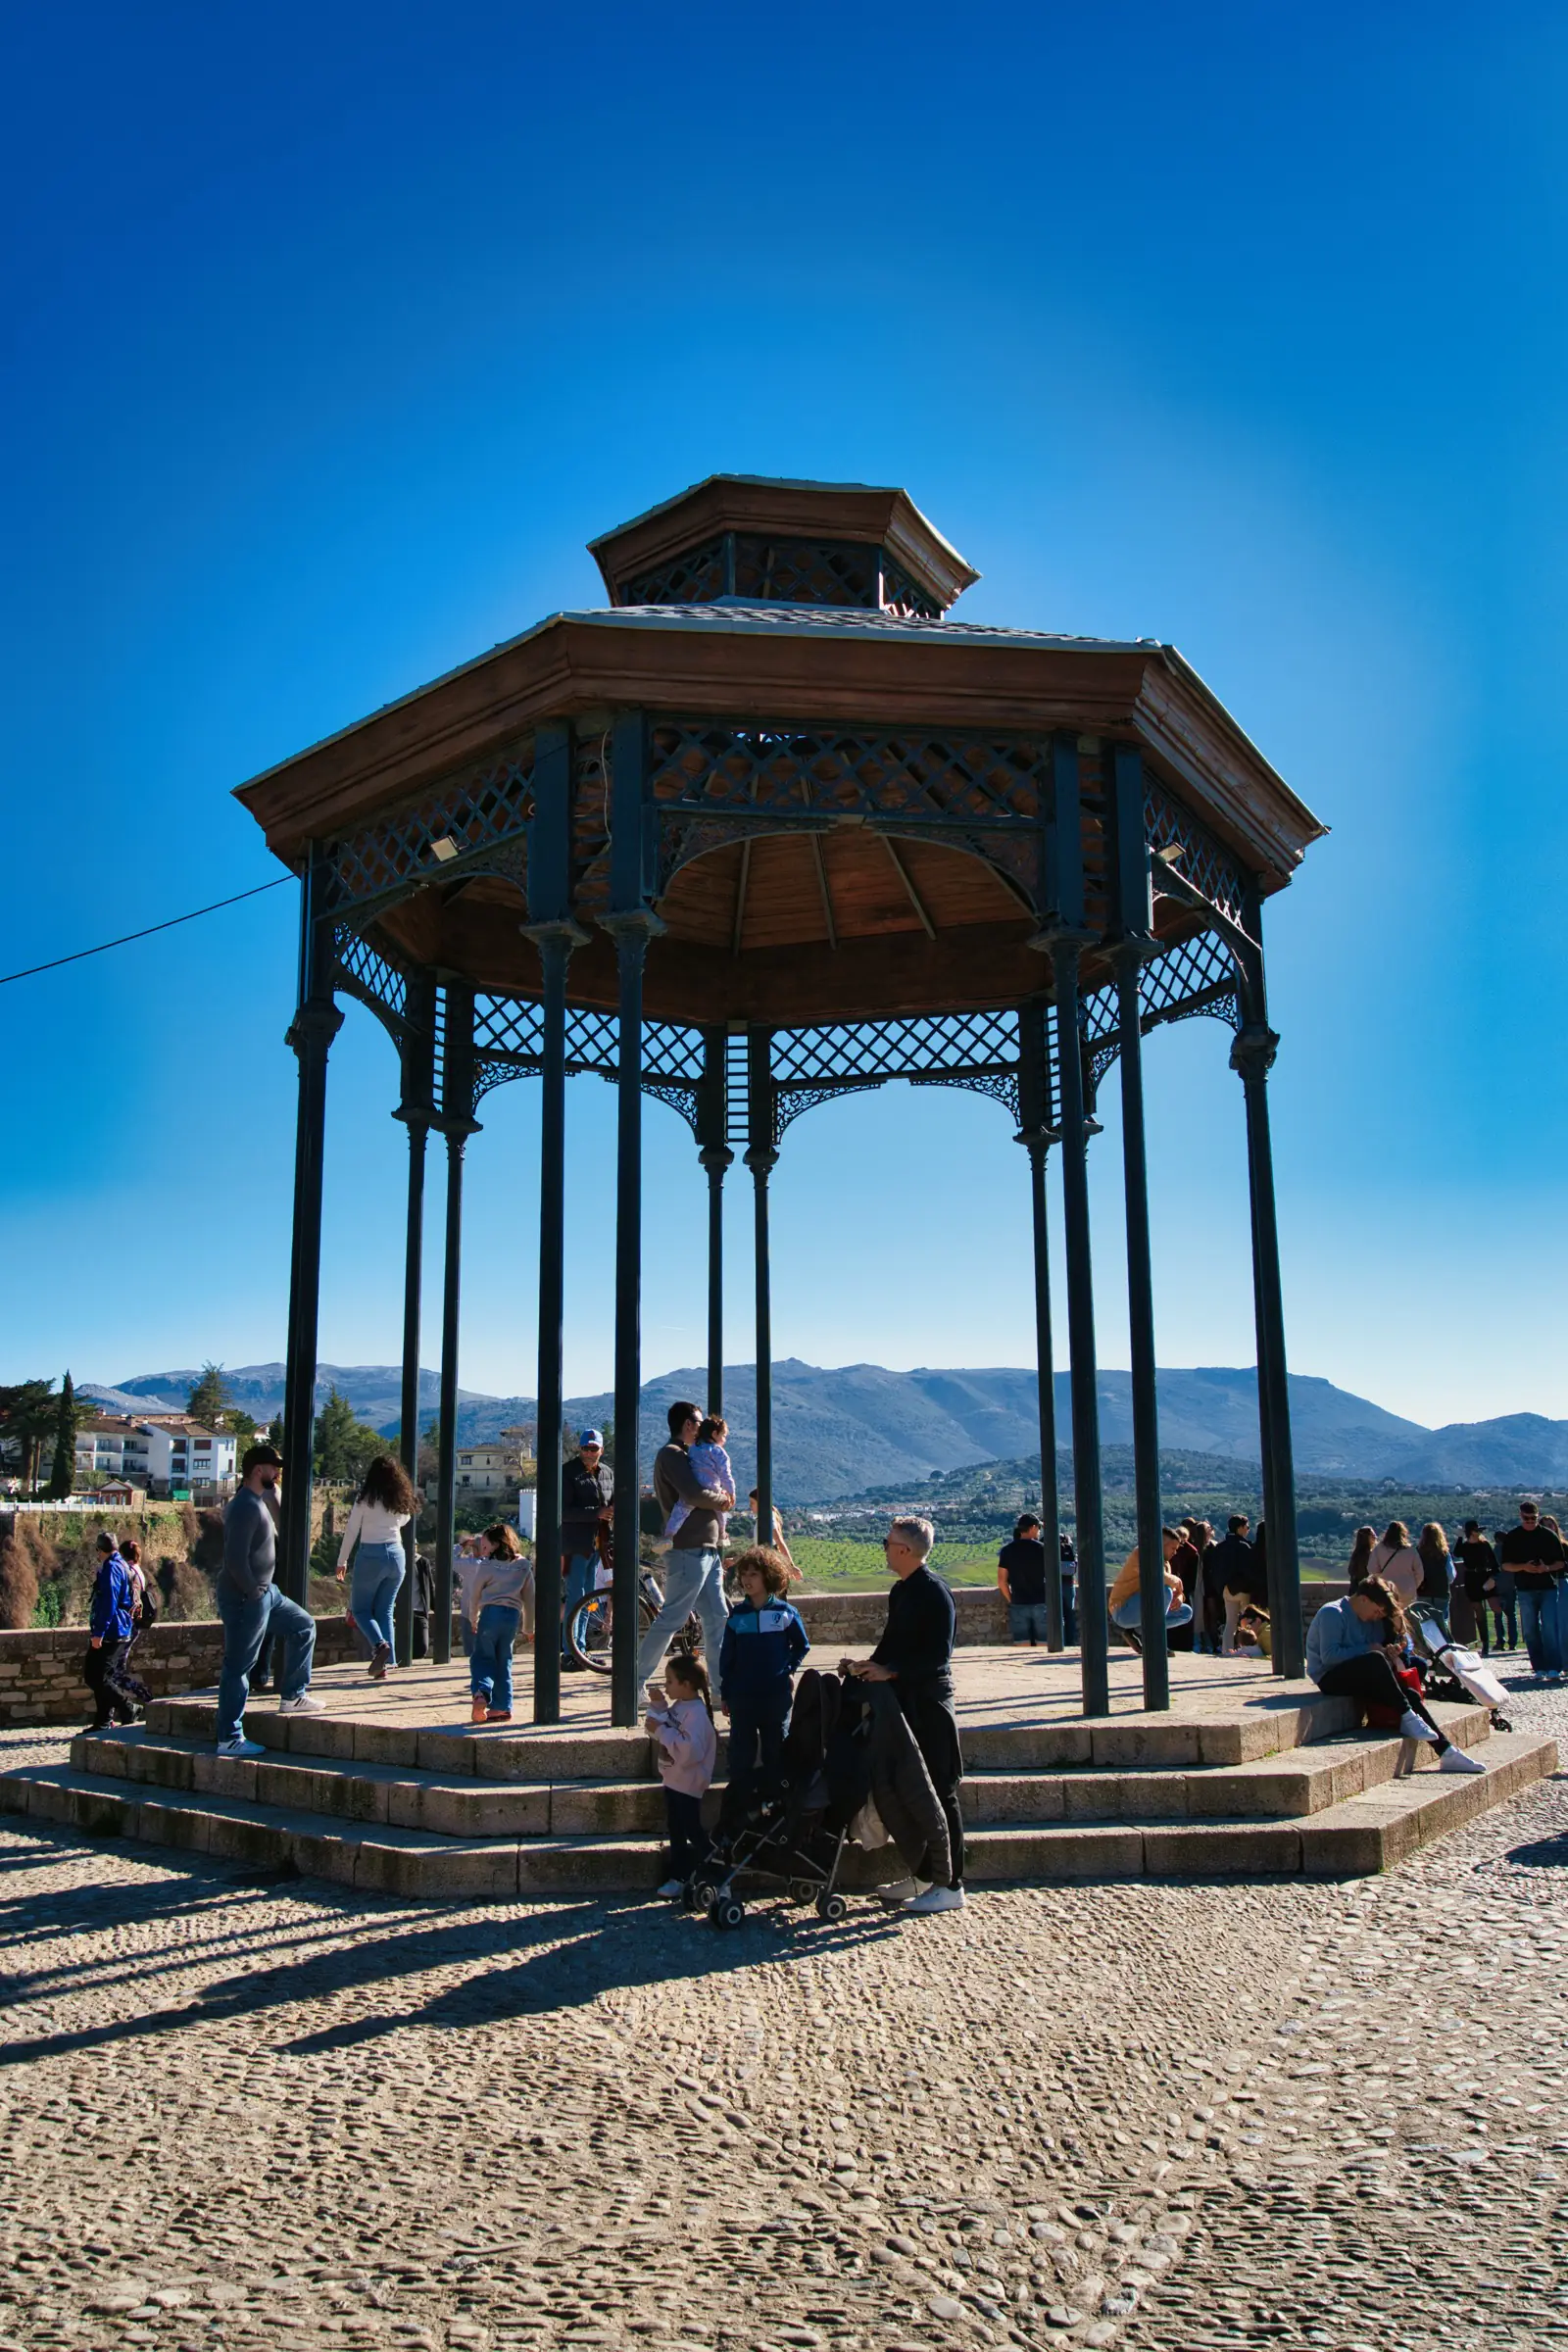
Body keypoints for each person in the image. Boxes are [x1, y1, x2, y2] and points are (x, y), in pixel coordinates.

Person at [848, 1516, 964, 1915]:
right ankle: (925, 1874)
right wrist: (868, 1666)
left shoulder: (935, 1593)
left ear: (904, 1550)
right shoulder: (901, 1592)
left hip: (930, 1705)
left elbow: (937, 1657)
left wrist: (891, 1671)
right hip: (903, 1704)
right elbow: (892, 1646)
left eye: (887, 1541)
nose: (883, 1547)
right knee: (912, 1790)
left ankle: (952, 1883)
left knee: (941, 1792)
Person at [1304, 1577, 1485, 1772]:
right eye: (1376, 1611)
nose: (1377, 1616)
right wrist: (1370, 1649)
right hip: (1331, 1676)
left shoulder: (1371, 1619)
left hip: (1365, 1672)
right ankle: (1408, 1717)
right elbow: (1329, 1657)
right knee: (1374, 1659)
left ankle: (1446, 1751)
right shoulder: (1333, 1613)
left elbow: (1380, 1650)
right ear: (1363, 1599)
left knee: (1413, 1680)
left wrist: (1391, 1651)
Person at [215, 1444, 323, 1757]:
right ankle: (229, 1737)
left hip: (266, 1593)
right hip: (248, 1596)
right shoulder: (245, 1506)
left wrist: (261, 1591)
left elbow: (280, 1516)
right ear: (257, 1470)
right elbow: (234, 1558)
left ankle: (292, 1695)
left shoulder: (256, 1501)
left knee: (303, 1626)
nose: (278, 1472)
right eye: (273, 1467)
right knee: (238, 1666)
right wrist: (252, 1591)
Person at [642, 1401, 733, 1698]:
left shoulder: (687, 1454)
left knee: (717, 1617)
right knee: (672, 1618)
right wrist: (722, 1500)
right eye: (698, 1421)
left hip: (707, 1549)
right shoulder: (672, 1455)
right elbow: (693, 1494)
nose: (702, 1425)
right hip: (687, 1549)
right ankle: (634, 1681)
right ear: (688, 1424)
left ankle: (720, 1690)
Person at [716, 1546, 808, 1822]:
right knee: (740, 1756)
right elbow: (727, 1659)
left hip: (775, 1697)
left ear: (768, 1576)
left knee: (775, 1752)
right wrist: (726, 1694)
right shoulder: (737, 1616)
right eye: (743, 1574)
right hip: (743, 1698)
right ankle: (739, 1811)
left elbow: (801, 1645)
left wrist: (789, 1669)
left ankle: (776, 1809)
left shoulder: (786, 1612)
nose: (747, 1579)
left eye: (754, 1574)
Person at [334, 1454, 416, 1681]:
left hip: (371, 1554)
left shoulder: (365, 1499)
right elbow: (405, 1520)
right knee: (385, 1610)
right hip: (397, 1555)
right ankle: (387, 1663)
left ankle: (380, 1646)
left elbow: (351, 1530)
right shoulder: (399, 1498)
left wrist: (342, 1560)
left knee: (360, 1610)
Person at [646, 1651, 718, 1898]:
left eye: (669, 1681)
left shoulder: (696, 1714)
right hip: (674, 1780)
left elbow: (690, 1752)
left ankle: (718, 1870)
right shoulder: (681, 1706)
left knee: (692, 1831)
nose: (666, 1686)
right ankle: (679, 1876)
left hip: (687, 1783)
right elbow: (662, 1726)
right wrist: (657, 1706)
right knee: (677, 1831)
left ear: (686, 1685)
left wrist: (662, 1732)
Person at [561, 1430, 613, 1672]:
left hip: (598, 1543)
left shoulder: (607, 1473)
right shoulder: (568, 1472)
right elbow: (563, 1512)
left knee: (589, 1597)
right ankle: (571, 1651)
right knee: (576, 1596)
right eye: (586, 1449)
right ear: (579, 1449)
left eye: (594, 1449)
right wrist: (596, 1513)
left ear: (601, 1449)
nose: (590, 1453)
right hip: (575, 1544)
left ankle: (580, 1650)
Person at [467, 1522, 528, 1724]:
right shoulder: (523, 1565)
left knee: (483, 1658)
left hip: (489, 1614)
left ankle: (482, 1692)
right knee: (505, 1661)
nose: (483, 1551)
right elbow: (530, 1598)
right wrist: (529, 1627)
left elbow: (474, 1594)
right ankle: (501, 1708)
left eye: (485, 1547)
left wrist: (472, 1617)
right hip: (511, 1616)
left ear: (495, 1545)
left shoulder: (486, 1566)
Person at [1499, 1500, 1564, 1677]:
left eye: (1533, 1518)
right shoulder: (1513, 1537)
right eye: (1527, 1518)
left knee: (1550, 1628)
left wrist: (1547, 1568)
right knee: (1530, 1630)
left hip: (1548, 1587)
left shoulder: (1549, 1536)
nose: (1530, 1522)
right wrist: (1523, 1567)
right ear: (1520, 1516)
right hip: (1524, 1588)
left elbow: (1561, 1562)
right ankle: (1539, 1667)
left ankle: (1554, 1667)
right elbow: (1506, 1565)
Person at [84, 1532, 139, 1729]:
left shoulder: (112, 1568)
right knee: (101, 1677)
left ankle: (128, 1708)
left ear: (100, 1549)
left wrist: (99, 1633)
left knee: (94, 1676)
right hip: (120, 1628)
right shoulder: (122, 1564)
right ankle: (104, 1721)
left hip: (112, 1631)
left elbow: (108, 1602)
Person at [1106, 1530, 1195, 1649]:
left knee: (1185, 1612)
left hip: (1142, 1609)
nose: (1175, 1553)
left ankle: (1137, 1631)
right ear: (1161, 1544)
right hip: (1122, 1609)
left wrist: (1179, 1596)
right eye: (1172, 1548)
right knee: (1164, 1592)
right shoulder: (1141, 1553)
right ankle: (1154, 1639)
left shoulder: (1165, 1563)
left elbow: (1171, 1588)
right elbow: (1155, 1575)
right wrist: (1176, 1581)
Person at [668, 1416, 733, 1544]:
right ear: (714, 1434)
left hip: (695, 1485)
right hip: (712, 1487)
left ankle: (668, 1535)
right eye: (723, 1435)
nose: (724, 1440)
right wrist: (731, 1493)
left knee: (680, 1510)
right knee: (721, 1510)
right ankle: (722, 1534)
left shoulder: (693, 1448)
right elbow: (726, 1475)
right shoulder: (718, 1452)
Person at [1209, 1514, 1266, 1655]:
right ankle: (1246, 1649)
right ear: (1240, 1528)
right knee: (1246, 1621)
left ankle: (1226, 1651)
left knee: (1230, 1623)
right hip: (1242, 1590)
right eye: (1246, 1527)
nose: (1248, 1529)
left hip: (1226, 1590)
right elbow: (1250, 1570)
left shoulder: (1220, 1547)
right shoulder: (1243, 1547)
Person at [997, 1513, 1051, 1644]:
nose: (1039, 1531)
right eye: (1039, 1528)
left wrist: (1011, 1599)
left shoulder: (1007, 1551)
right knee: (1044, 1644)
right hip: (1041, 1602)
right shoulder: (1043, 1549)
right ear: (1032, 1528)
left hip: (1019, 1602)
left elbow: (1001, 1581)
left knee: (1022, 1644)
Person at [1452, 1521, 1499, 1654]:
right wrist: (1460, 1537)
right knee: (1479, 1612)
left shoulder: (1484, 1545)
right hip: (1472, 1578)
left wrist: (1493, 1578)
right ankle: (1485, 1642)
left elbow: (1494, 1563)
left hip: (1486, 1576)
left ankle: (1500, 1639)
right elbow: (1456, 1553)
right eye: (1475, 1530)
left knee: (1497, 1608)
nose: (1478, 1533)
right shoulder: (1465, 1546)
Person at [119, 1539, 156, 1702]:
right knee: (116, 1671)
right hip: (134, 1625)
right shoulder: (138, 1571)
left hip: (128, 1626)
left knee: (115, 1673)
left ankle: (144, 1697)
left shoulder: (129, 1572)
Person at [746, 1490, 802, 1582]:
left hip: (771, 1562)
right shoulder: (762, 1518)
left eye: (752, 1503)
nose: (750, 1506)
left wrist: (791, 1566)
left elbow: (779, 1540)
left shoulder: (768, 1517)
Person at [1367, 1521, 1422, 1608]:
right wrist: (1413, 1586)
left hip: (1387, 1590)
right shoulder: (1411, 1551)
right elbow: (1419, 1573)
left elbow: (1372, 1570)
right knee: (1408, 1618)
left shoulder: (1379, 1549)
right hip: (1407, 1591)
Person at [1416, 1522, 1453, 1609]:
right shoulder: (1444, 1554)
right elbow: (1451, 1576)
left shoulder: (1417, 1553)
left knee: (1424, 1621)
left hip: (1423, 1593)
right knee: (1441, 1621)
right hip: (1441, 1593)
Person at [1058, 1528, 1079, 1646]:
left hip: (1053, 1584)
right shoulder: (1067, 1539)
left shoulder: (1045, 1540)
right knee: (1069, 1614)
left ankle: (1058, 1640)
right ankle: (1070, 1641)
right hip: (1069, 1583)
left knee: (1056, 1614)